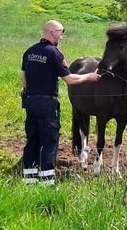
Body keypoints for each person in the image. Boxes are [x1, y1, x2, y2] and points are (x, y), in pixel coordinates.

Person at [20, 20, 100, 186]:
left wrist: (32, 93)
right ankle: (47, 183)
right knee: (50, 142)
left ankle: (28, 180)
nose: (62, 37)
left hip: (31, 102)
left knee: (32, 141)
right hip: (47, 104)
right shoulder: (54, 53)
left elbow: (23, 78)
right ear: (52, 32)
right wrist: (88, 77)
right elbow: (69, 79)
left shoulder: (29, 52)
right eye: (60, 32)